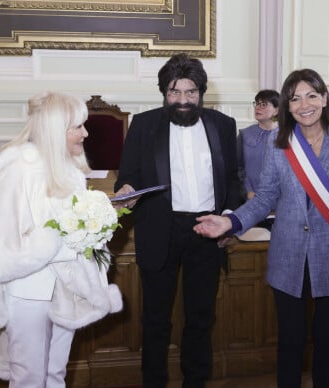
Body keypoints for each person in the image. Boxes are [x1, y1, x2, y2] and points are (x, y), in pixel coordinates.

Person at [193, 69, 329, 388]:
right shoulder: (280, 144)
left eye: (311, 95)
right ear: (286, 105)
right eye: (294, 98)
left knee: (327, 343)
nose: (303, 104)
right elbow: (264, 198)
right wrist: (230, 221)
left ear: (324, 98)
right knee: (290, 344)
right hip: (288, 258)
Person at [0, 91, 122, 387]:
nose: (85, 133)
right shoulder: (19, 167)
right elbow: (6, 233)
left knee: (55, 372)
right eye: (77, 126)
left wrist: (95, 225)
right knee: (29, 376)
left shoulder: (70, 167)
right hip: (27, 288)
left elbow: (70, 221)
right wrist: (70, 235)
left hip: (65, 284)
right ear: (54, 129)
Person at [114, 53, 242, 387]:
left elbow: (232, 181)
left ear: (201, 93)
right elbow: (126, 179)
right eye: (174, 92)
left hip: (207, 230)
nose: (183, 100)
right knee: (155, 320)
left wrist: (228, 220)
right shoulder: (143, 125)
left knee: (201, 318)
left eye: (190, 92)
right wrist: (126, 191)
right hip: (160, 231)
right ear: (163, 93)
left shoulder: (223, 126)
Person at [238, 89, 280, 201]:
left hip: (281, 202)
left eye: (264, 104)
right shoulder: (244, 135)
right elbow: (238, 169)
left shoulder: (287, 136)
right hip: (250, 200)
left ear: (276, 110)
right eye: (257, 104)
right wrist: (248, 192)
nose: (258, 107)